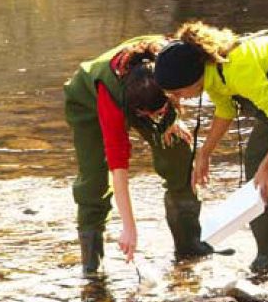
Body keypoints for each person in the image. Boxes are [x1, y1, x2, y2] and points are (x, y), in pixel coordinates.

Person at [154, 22, 268, 295]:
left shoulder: (235, 68)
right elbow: (225, 108)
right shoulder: (210, 71)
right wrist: (204, 154)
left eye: (177, 92)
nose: (175, 98)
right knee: (255, 165)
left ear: (191, 79)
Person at [64, 36, 215, 276]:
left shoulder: (169, 61)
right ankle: (92, 268)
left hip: (149, 92)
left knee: (178, 152)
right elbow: (118, 167)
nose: (156, 117)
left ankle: (189, 248)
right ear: (137, 111)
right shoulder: (112, 101)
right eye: (151, 114)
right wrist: (129, 227)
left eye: (160, 111)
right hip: (88, 102)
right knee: (93, 182)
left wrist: (172, 119)